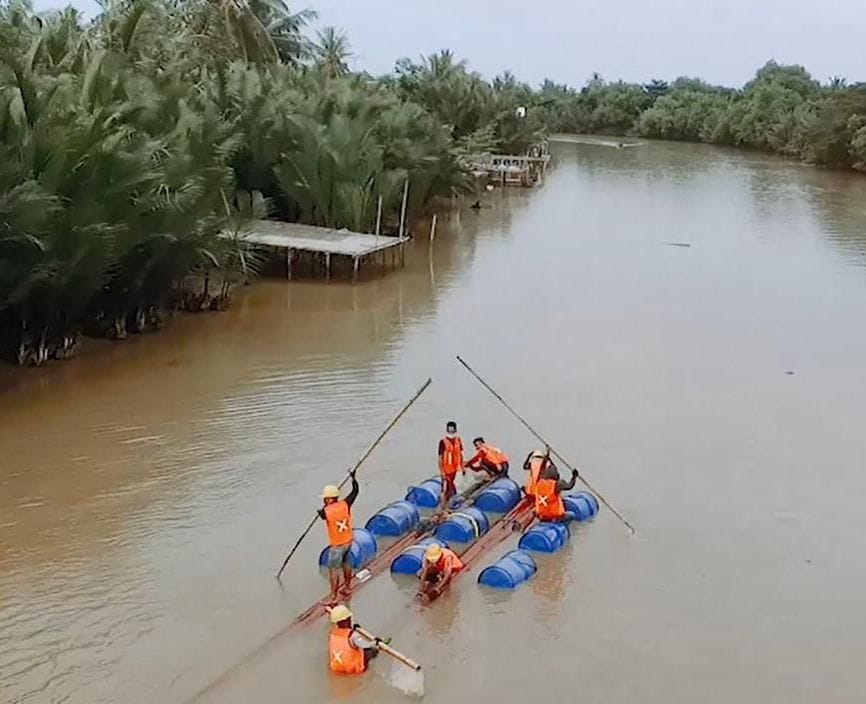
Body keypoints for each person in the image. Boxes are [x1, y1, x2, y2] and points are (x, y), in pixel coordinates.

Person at [318, 470, 359, 602]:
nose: (324, 500)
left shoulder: (326, 511)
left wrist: (322, 509)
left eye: (325, 498)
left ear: (329, 499)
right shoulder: (345, 504)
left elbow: (322, 514)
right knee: (346, 564)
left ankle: (333, 597)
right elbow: (355, 492)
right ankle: (347, 587)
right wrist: (353, 479)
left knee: (334, 570)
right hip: (348, 541)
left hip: (337, 546)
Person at [328, 604, 382, 675]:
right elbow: (366, 646)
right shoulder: (352, 635)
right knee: (371, 651)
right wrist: (375, 642)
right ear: (348, 620)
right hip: (352, 669)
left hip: (337, 668)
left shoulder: (332, 634)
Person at [438, 421, 464, 510]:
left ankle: (448, 507)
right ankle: (443, 509)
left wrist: (462, 468)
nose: (451, 432)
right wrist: (442, 472)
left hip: (456, 470)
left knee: (451, 490)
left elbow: (460, 454)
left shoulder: (458, 440)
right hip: (446, 470)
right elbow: (440, 458)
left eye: (452, 431)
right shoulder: (443, 442)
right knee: (445, 490)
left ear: (455, 430)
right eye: (449, 430)